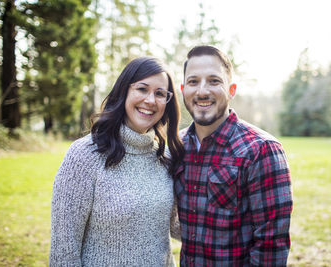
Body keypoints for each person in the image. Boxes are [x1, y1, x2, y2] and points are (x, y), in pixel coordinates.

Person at [49, 57, 184, 266]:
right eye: (142, 89)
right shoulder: (84, 155)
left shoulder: (165, 157)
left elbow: (178, 226)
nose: (150, 100)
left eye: (160, 94)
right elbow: (64, 252)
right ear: (124, 91)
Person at [174, 45, 293, 266]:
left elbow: (271, 247)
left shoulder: (261, 150)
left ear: (231, 90)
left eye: (214, 81)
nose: (202, 91)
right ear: (183, 89)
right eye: (193, 81)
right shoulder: (177, 147)